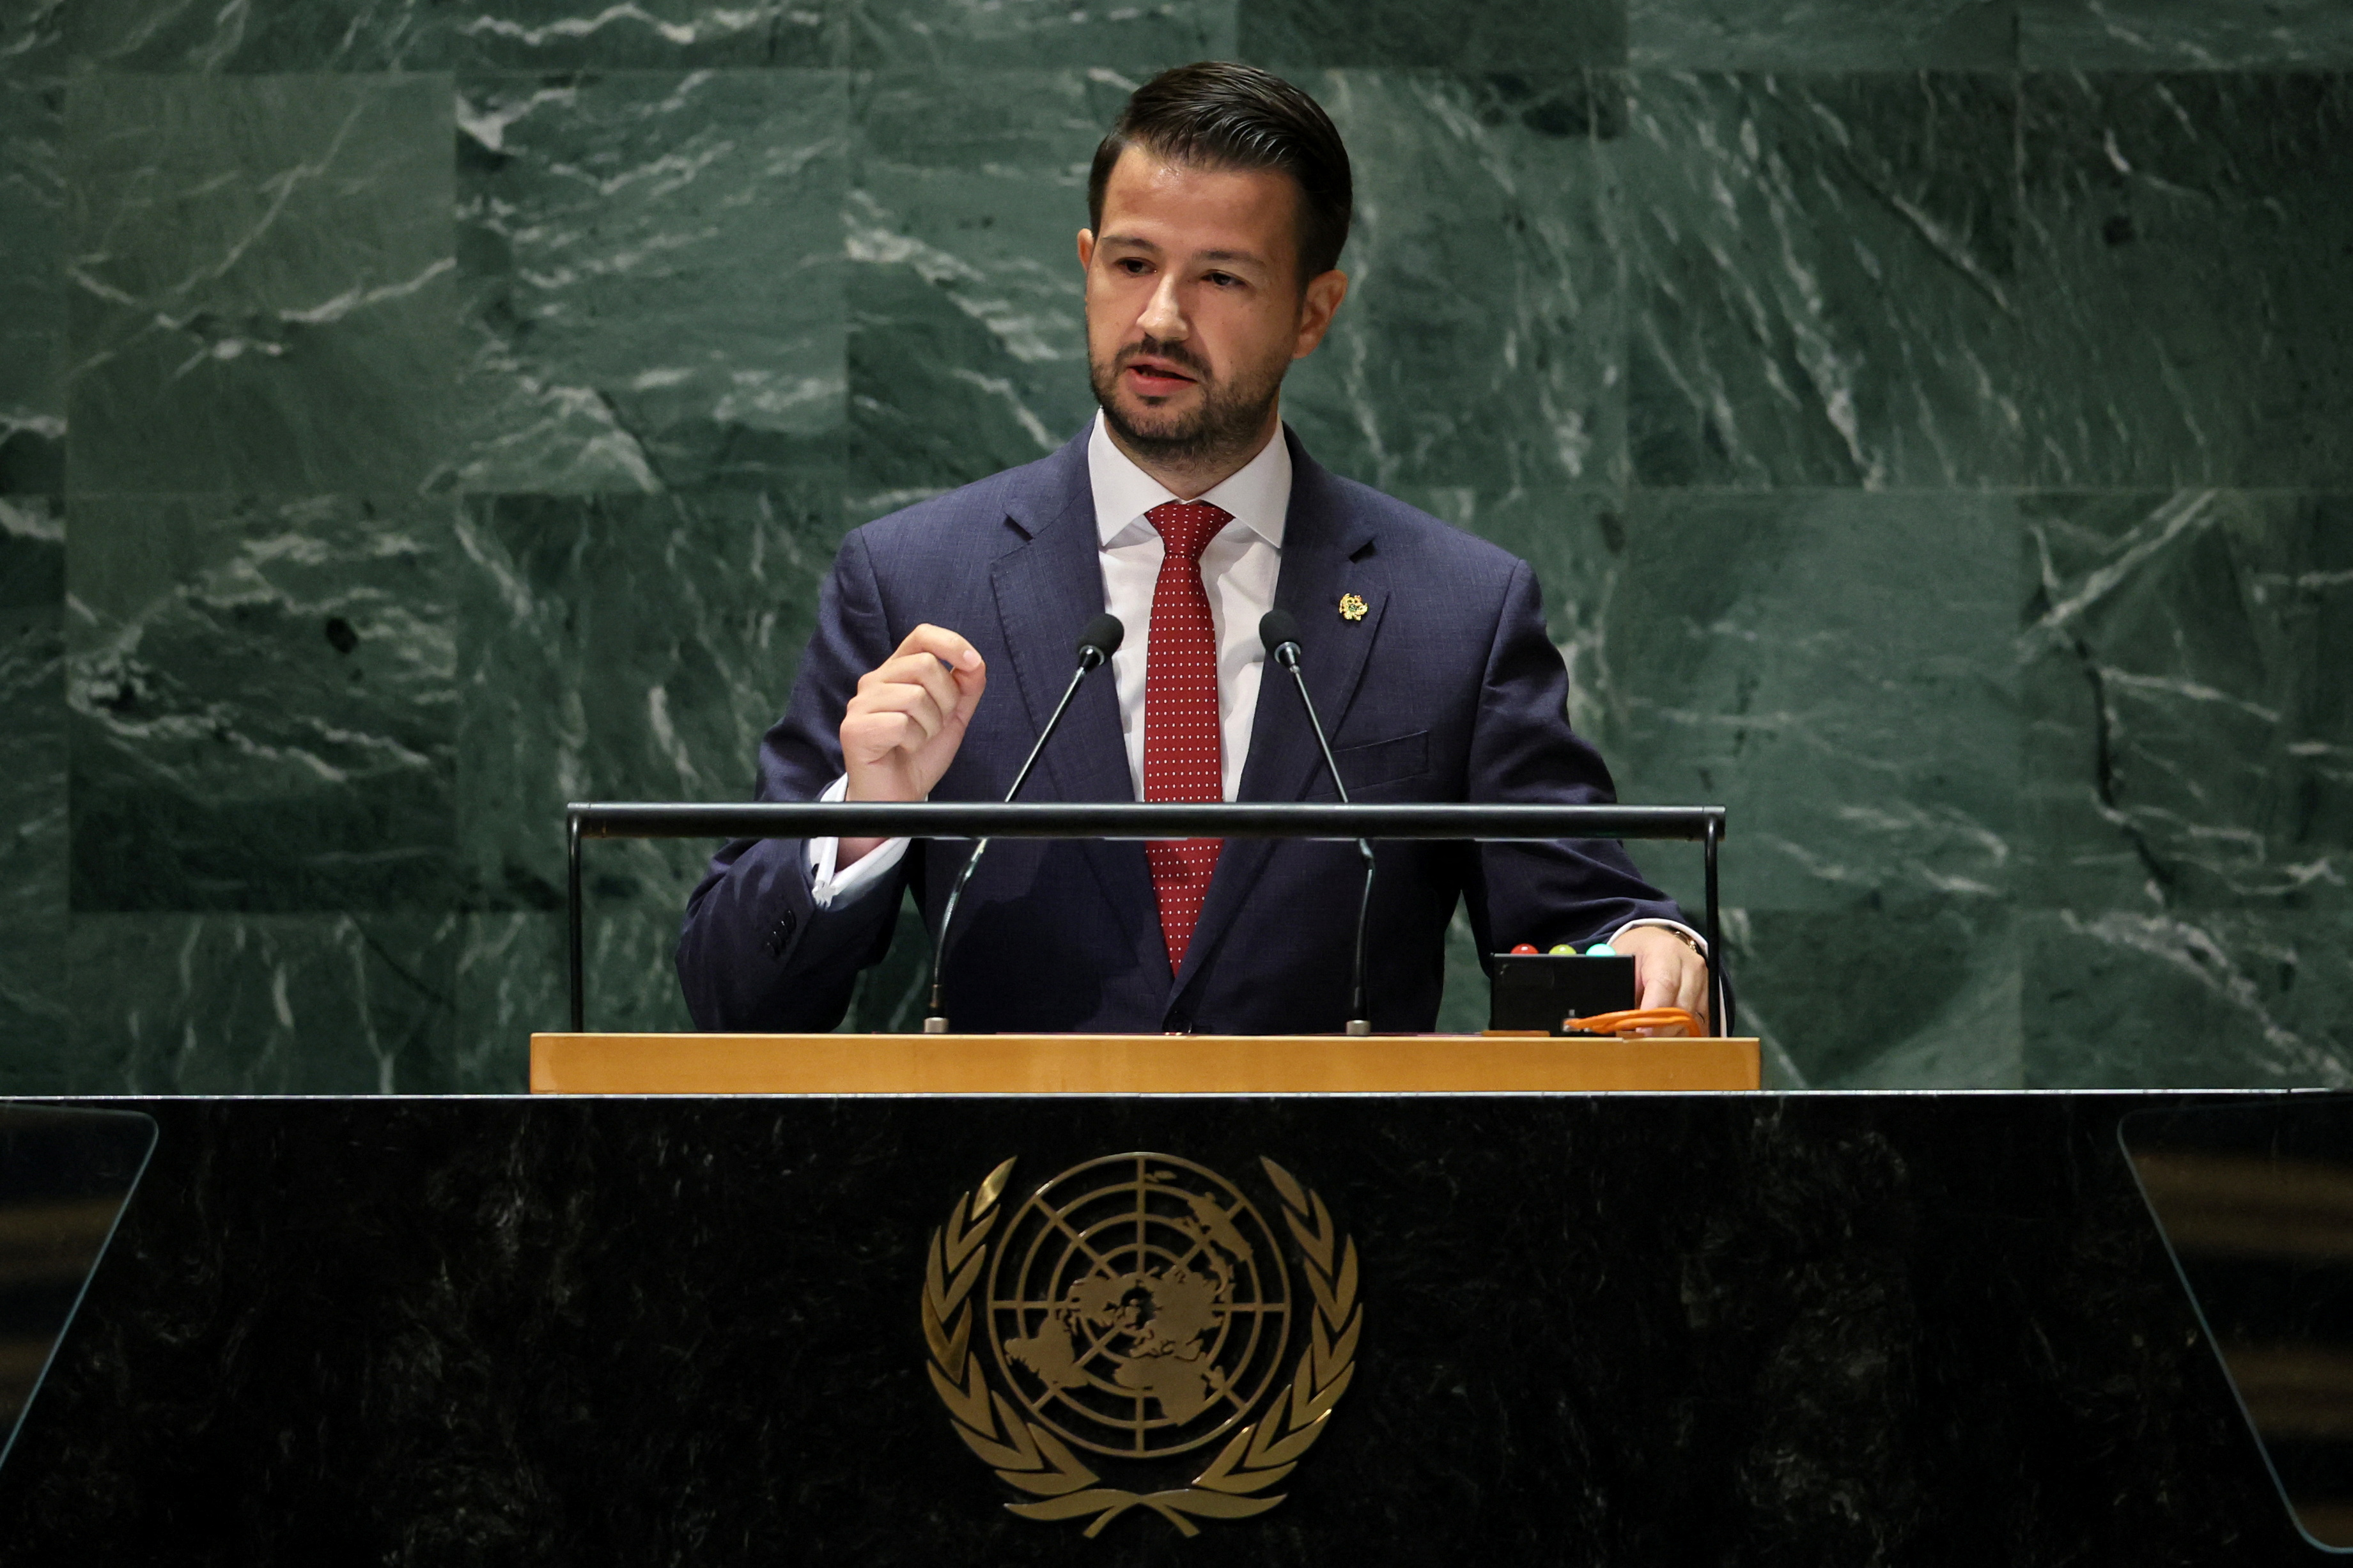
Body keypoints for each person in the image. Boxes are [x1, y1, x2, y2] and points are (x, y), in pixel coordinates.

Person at [678, 61, 1711, 1036]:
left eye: (1220, 278)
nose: (1160, 318)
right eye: (1131, 264)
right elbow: (732, 999)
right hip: (1009, 1212)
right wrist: (862, 820)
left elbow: (1586, 915)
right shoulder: (911, 579)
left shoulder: (1456, 610)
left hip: (1339, 1214)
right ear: (1087, 266)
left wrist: (1643, 944)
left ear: (1313, 311)